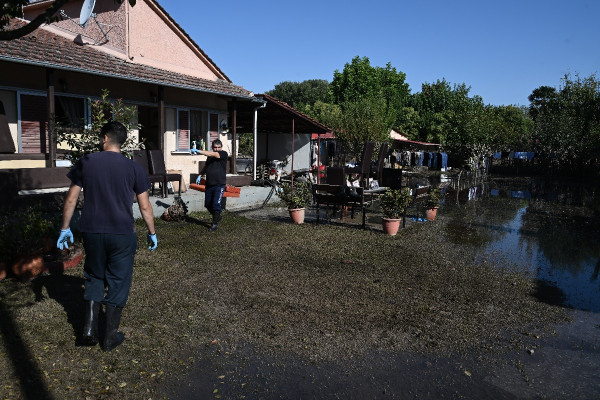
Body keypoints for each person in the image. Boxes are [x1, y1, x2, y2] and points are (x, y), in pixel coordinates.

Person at [56, 121, 158, 352]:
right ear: (121, 141)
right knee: (119, 280)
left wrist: (65, 228)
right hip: (122, 234)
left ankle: (89, 329)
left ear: (104, 138)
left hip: (92, 231)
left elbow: (71, 199)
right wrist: (152, 233)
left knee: (94, 275)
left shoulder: (87, 162)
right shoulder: (134, 168)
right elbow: (145, 207)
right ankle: (110, 336)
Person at [195, 139, 228, 231]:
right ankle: (217, 216)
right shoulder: (210, 157)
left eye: (219, 147)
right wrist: (200, 175)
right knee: (208, 204)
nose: (217, 149)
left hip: (219, 184)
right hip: (209, 184)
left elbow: (213, 154)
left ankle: (214, 224)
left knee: (216, 204)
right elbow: (206, 167)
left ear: (221, 147)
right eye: (215, 147)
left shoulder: (223, 154)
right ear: (212, 147)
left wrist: (199, 151)